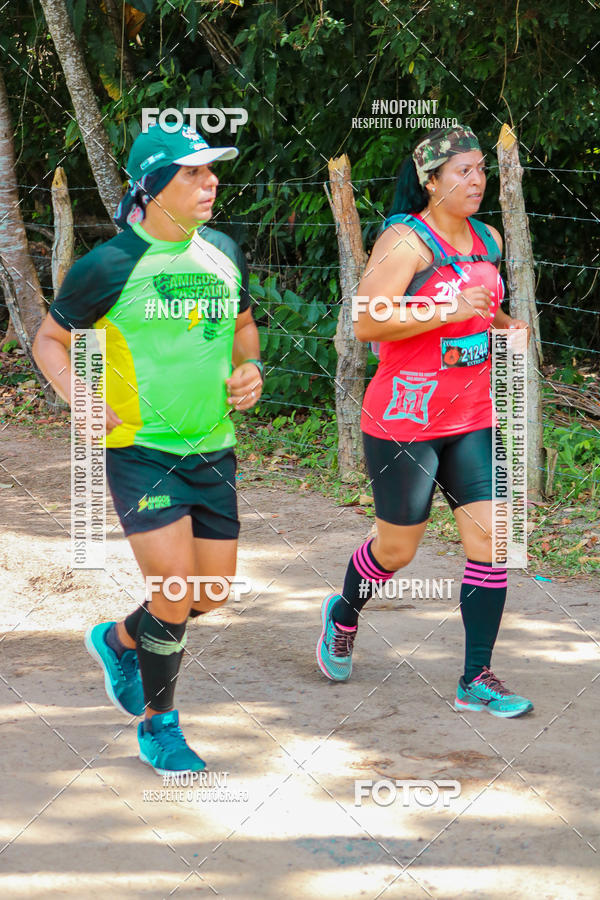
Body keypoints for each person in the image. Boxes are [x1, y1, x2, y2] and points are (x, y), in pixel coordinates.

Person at [33, 122, 264, 772]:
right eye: (193, 173)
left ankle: (117, 638)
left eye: (211, 171)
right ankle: (160, 724)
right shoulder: (107, 265)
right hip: (140, 452)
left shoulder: (222, 251)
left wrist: (250, 370)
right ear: (155, 185)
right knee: (174, 586)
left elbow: (244, 328)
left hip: (214, 451)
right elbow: (49, 341)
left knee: (208, 594)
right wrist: (79, 395)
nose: (210, 182)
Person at [317, 125, 533, 718]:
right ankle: (344, 613)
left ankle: (476, 678)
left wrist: (502, 324)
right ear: (430, 180)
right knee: (396, 551)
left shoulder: (485, 239)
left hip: (471, 416)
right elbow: (366, 321)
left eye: (481, 169)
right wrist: (445, 308)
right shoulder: (405, 241)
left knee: (492, 542)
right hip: (405, 419)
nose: (476, 180)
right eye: (461, 172)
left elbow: (479, 306)